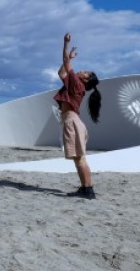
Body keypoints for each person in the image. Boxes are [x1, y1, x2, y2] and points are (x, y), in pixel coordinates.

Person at [53, 32, 102, 199]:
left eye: (86, 72)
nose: (82, 71)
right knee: (80, 158)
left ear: (86, 80)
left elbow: (66, 64)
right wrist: (70, 59)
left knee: (79, 159)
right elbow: (61, 73)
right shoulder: (76, 85)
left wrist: (65, 44)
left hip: (71, 122)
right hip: (74, 121)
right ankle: (87, 189)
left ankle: (87, 190)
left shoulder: (77, 84)